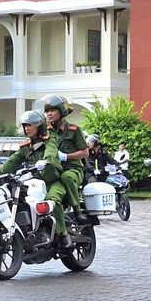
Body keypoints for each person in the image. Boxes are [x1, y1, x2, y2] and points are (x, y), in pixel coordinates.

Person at [0, 110, 68, 245]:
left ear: (39, 127)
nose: (27, 128)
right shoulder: (26, 147)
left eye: (30, 125)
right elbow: (13, 161)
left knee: (52, 202)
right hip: (33, 183)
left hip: (52, 182)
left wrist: (46, 160)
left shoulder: (49, 141)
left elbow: (51, 153)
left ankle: (63, 234)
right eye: (25, 126)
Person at [41, 94, 89, 223]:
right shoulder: (46, 132)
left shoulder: (74, 130)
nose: (49, 114)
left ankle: (77, 209)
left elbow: (85, 152)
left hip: (73, 170)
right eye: (47, 111)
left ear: (62, 111)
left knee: (66, 177)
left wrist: (66, 157)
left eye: (53, 110)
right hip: (53, 171)